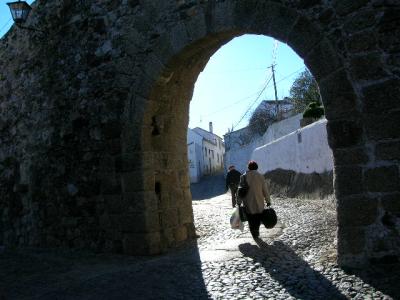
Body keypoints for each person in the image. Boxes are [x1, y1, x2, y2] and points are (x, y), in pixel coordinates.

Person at [237, 160, 271, 239]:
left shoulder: (243, 177)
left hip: (248, 202)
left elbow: (240, 190)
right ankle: (257, 231)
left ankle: (254, 232)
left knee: (251, 218)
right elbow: (265, 190)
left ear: (249, 167)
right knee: (258, 217)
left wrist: (238, 202)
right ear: (256, 167)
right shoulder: (260, 176)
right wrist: (268, 201)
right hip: (259, 201)